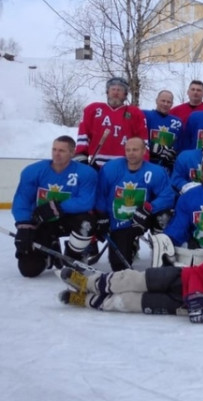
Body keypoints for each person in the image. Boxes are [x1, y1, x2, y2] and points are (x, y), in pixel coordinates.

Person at [58, 237, 203, 322]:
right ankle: (88, 283)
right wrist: (198, 297)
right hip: (179, 280)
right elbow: (199, 274)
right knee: (130, 280)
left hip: (181, 306)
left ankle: (86, 300)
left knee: (129, 303)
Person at [11, 136, 99, 277]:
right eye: (54, 149)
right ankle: (49, 252)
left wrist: (57, 208)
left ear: (72, 153)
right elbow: (23, 199)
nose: (56, 154)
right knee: (29, 270)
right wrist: (23, 225)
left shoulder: (86, 173)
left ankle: (73, 256)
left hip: (69, 219)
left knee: (87, 223)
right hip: (43, 220)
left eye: (62, 151)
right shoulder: (33, 171)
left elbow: (86, 201)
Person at [96, 137, 175, 271]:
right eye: (128, 150)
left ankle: (161, 251)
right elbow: (100, 194)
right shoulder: (110, 168)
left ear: (144, 151)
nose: (131, 153)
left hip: (144, 217)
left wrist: (149, 207)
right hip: (119, 222)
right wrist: (102, 215)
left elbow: (168, 196)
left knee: (164, 216)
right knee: (118, 266)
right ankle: (130, 245)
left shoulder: (155, 171)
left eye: (135, 150)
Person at [74, 77, 148, 169]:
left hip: (125, 166)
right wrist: (81, 158)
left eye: (120, 90)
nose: (116, 92)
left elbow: (143, 141)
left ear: (125, 94)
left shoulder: (135, 113)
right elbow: (83, 136)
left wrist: (143, 164)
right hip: (95, 165)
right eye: (113, 89)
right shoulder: (92, 110)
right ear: (107, 92)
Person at [144, 90, 183, 172]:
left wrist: (174, 154)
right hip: (146, 164)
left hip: (166, 167)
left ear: (172, 104)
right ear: (156, 100)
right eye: (163, 101)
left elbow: (178, 144)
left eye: (168, 102)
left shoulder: (177, 122)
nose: (165, 104)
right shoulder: (145, 115)